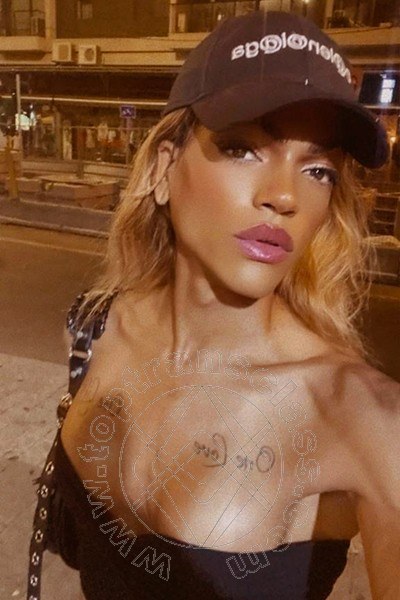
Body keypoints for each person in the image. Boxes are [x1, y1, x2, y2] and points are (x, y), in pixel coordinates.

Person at [28, 10, 400, 600]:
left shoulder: (365, 419)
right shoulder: (93, 328)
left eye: (318, 169)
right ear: (162, 169)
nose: (284, 195)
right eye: (243, 148)